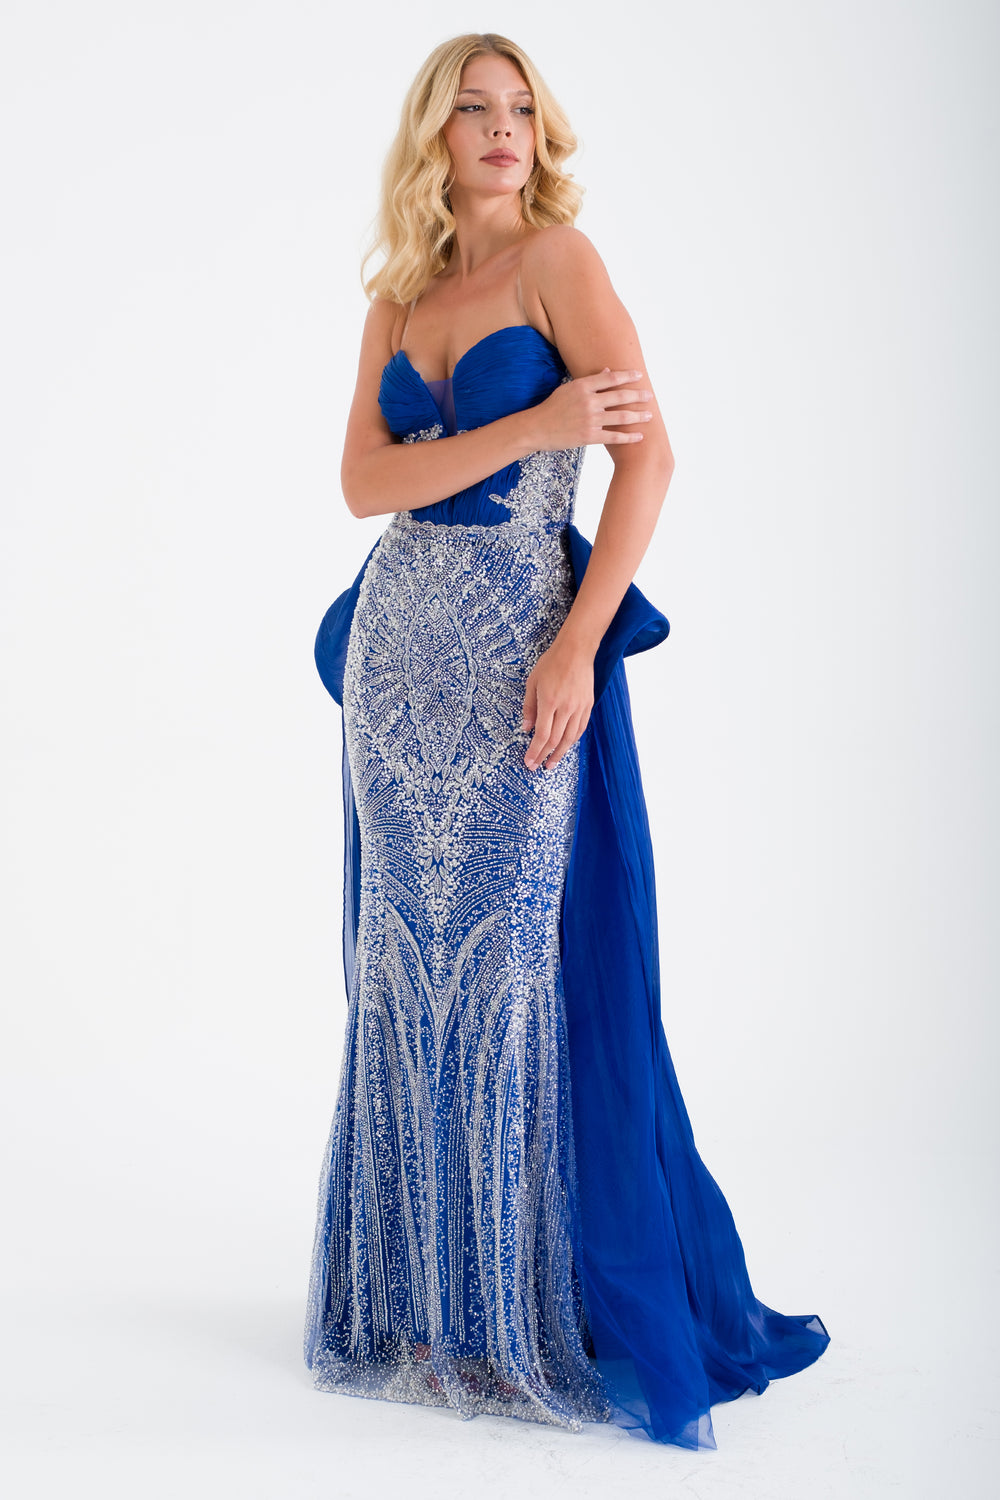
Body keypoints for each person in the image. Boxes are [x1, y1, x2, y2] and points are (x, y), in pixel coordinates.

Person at [304, 32, 830, 1452]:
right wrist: (535, 420)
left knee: (512, 970)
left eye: (522, 109)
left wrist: (579, 643)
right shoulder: (399, 295)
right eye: (474, 109)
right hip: (398, 659)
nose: (503, 130)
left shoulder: (562, 263)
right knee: (402, 966)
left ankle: (511, 1316)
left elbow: (648, 458)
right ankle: (419, 1309)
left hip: (521, 650)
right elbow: (361, 483)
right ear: (434, 133)